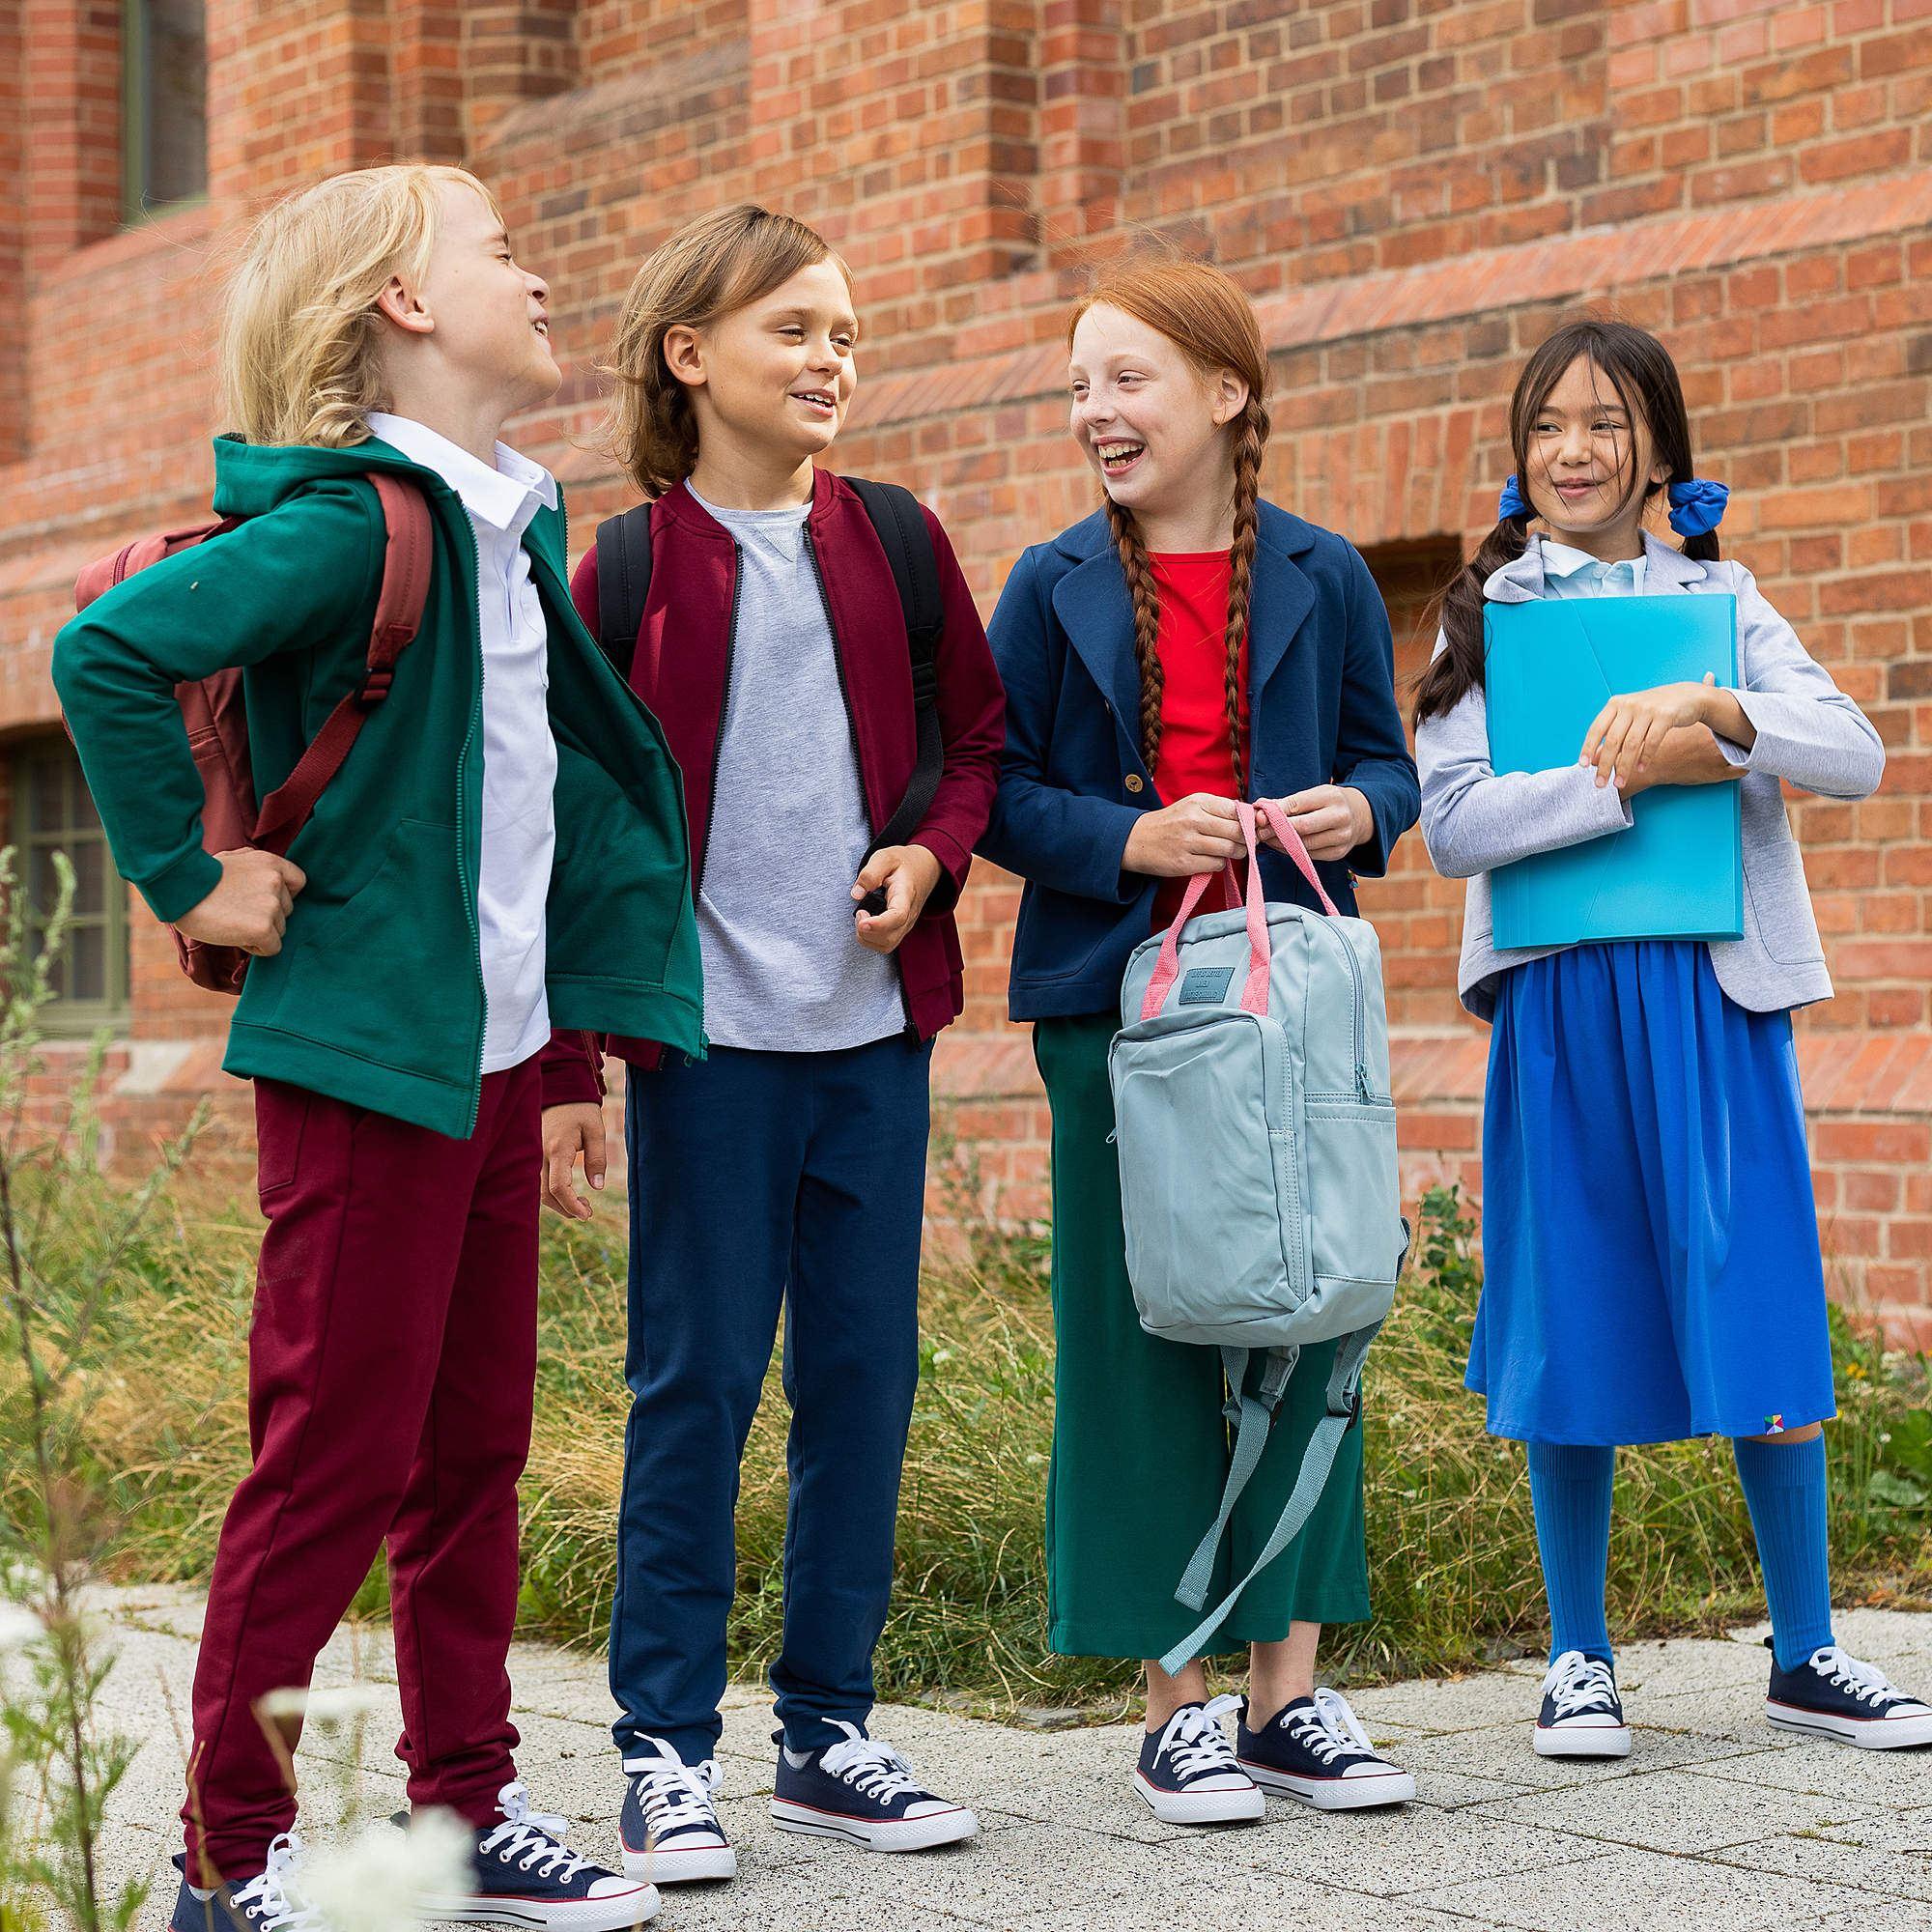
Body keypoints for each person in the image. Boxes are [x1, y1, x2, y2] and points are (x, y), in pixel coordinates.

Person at [53, 162, 696, 1931]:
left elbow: (540, 824)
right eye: (501, 245)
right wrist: (193, 874)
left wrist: (564, 1067)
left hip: (487, 1069)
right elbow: (105, 648)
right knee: (329, 1458)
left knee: (475, 1447)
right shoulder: (359, 525)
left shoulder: (509, 519)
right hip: (363, 1069)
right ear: (404, 306)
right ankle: (226, 1855)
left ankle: (462, 1815)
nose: (539, 265)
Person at [538, 204, 1006, 1884]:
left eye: (847, 334)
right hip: (706, 1053)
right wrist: (573, 1064)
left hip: (873, 1037)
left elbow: (980, 743)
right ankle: (663, 1749)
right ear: (691, 354)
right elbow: (575, 822)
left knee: (863, 1389)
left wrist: (933, 854)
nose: (831, 359)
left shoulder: (897, 536)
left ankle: (830, 1731)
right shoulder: (627, 568)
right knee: (698, 1388)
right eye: (795, 329)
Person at [1413, 315, 1932, 1757]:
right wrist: (1624, 779)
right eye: (1547, 426)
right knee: (1571, 1308)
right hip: (1565, 999)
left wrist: (1711, 708)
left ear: (1659, 450)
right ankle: (1579, 1658)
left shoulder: (1726, 602)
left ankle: (1809, 1650)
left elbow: (1853, 752)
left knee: (1754, 1288)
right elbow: (1454, 825)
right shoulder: (1487, 616)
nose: (1574, 450)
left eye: (1606, 424)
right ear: (1521, 456)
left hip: (1714, 994)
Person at [980, 253, 1422, 1823]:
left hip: (1299, 1000)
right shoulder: (1047, 586)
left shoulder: (1330, 574)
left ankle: (1289, 1695)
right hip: (1121, 1013)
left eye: (1128, 379)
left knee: (1316, 1316)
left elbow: (1394, 764)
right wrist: (1127, 842)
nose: (1097, 411)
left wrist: (1364, 803)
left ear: (1227, 395)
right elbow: (997, 796)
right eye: (1080, 385)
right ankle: (1175, 1700)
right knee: (1150, 1338)